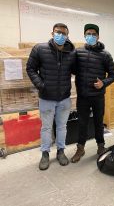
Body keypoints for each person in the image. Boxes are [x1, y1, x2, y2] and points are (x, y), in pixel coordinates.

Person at [26, 23, 75, 170]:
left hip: (64, 97)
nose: (60, 35)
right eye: (57, 32)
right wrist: (40, 84)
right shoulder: (40, 49)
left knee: (62, 127)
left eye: (63, 33)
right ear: (52, 33)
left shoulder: (71, 52)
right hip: (46, 97)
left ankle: (60, 151)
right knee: (46, 127)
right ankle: (45, 154)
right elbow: (30, 68)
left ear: (67, 36)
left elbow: (77, 69)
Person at [71, 24, 114, 163]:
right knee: (82, 123)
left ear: (98, 36)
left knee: (98, 122)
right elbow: (72, 69)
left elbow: (113, 75)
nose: (90, 36)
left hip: (98, 97)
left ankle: (101, 146)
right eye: (88, 33)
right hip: (83, 96)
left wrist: (103, 83)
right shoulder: (78, 52)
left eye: (93, 34)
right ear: (85, 35)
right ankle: (80, 148)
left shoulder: (105, 54)